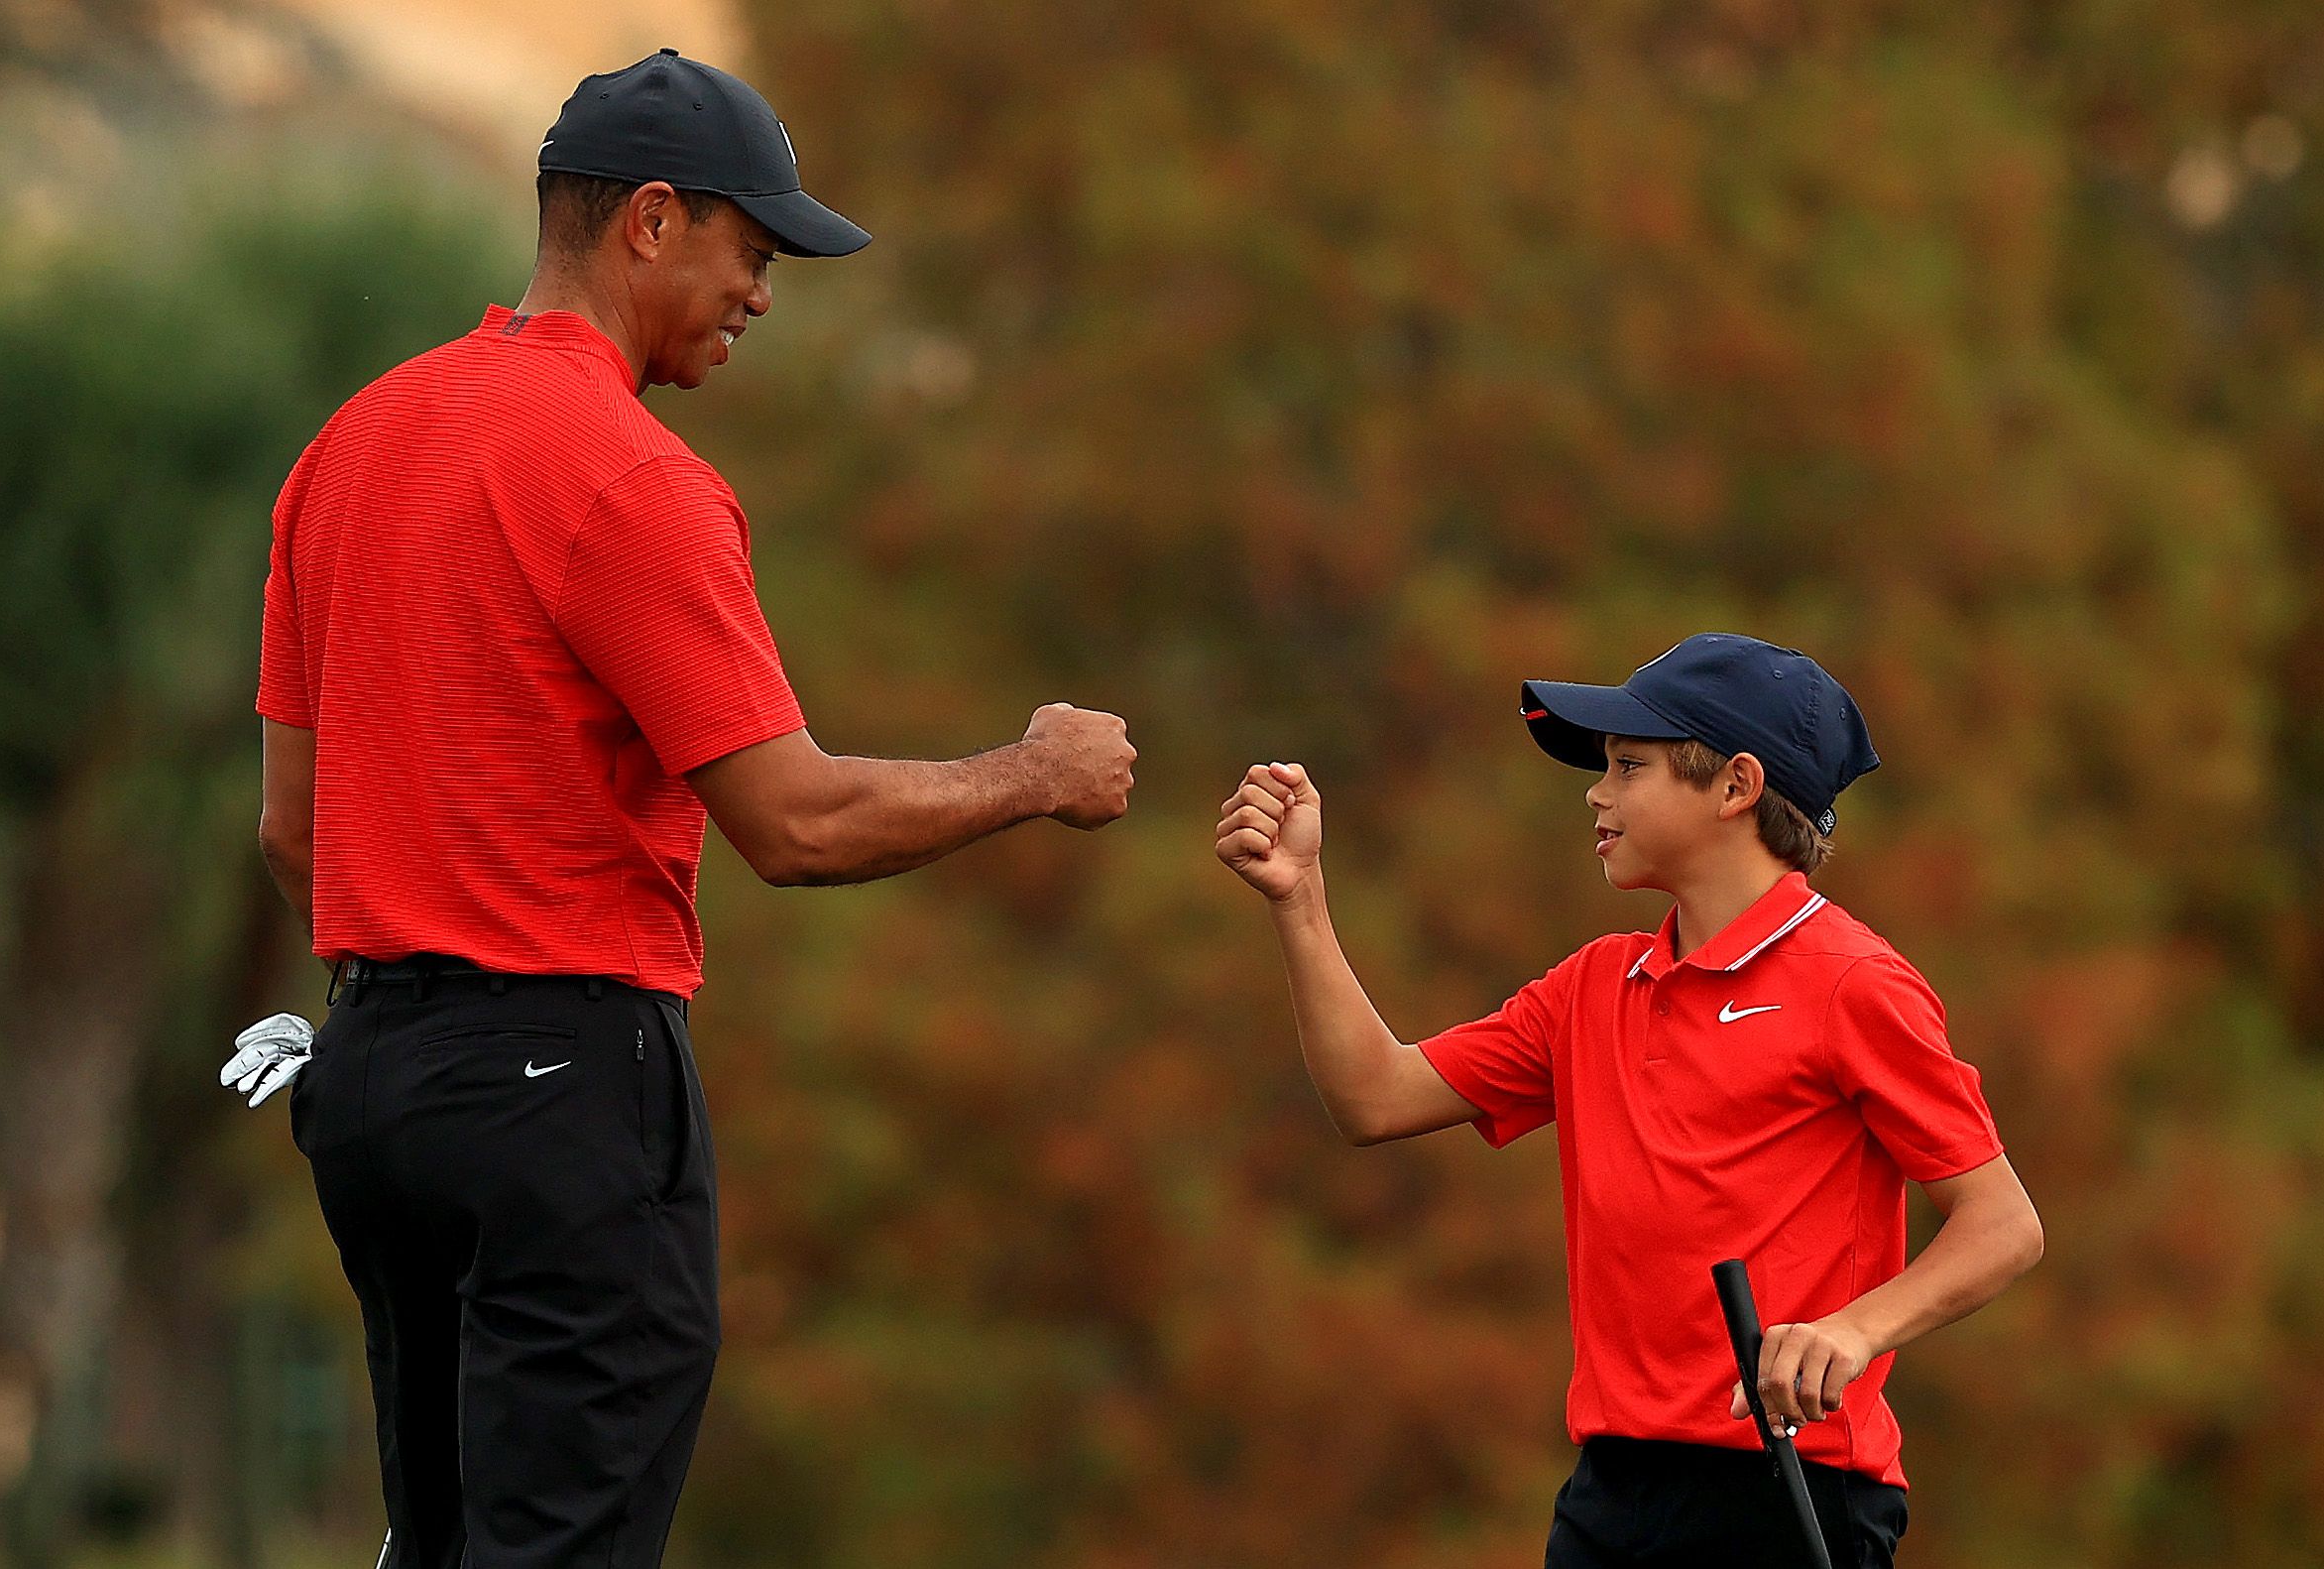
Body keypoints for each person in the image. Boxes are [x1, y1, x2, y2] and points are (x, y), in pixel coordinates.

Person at [234, 51, 1135, 1569]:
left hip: (377, 1081)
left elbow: (288, 829)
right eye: (754, 249)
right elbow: (796, 822)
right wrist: (1031, 774)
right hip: (563, 1087)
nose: (764, 295)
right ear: (651, 220)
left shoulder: (353, 445)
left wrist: (426, 986)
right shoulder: (629, 477)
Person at [1214, 633, 2041, 1566]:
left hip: (1791, 1492)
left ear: (1734, 786)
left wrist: (1854, 1330)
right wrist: (1299, 898)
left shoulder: (1852, 982)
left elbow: (2002, 1224)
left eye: (1629, 767)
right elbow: (1374, 1096)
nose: (1596, 793)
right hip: (1612, 1495)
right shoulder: (1595, 984)